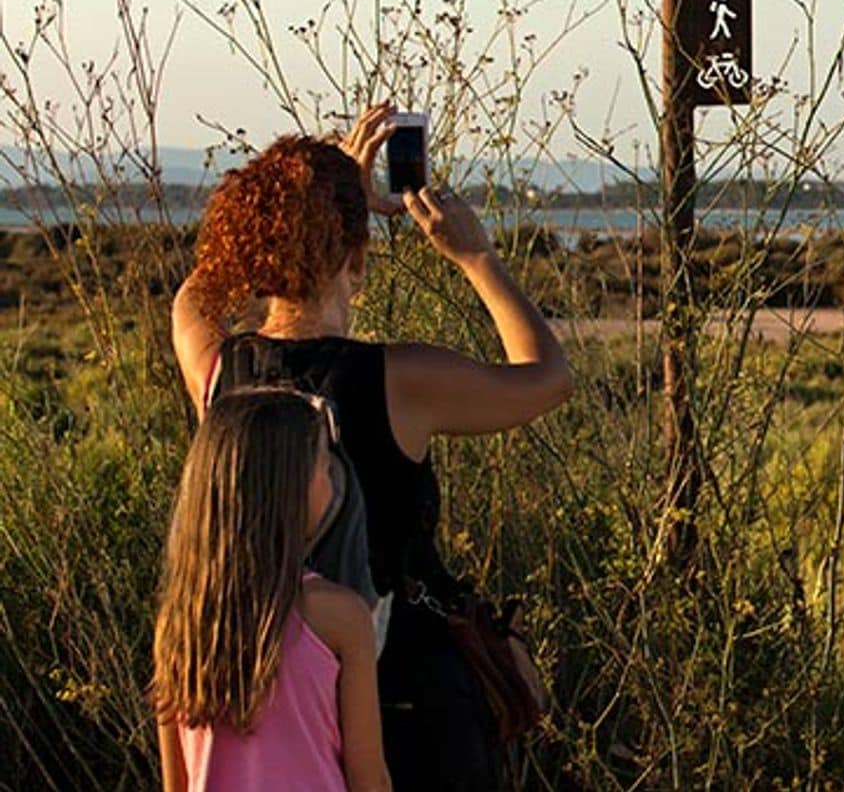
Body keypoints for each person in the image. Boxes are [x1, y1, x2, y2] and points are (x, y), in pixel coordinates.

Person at [171, 103, 573, 789]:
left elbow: (195, 294)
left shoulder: (219, 371)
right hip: (411, 705)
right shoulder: (400, 381)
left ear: (251, 253)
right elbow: (547, 377)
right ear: (358, 260)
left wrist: (316, 207)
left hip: (276, 711)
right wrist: (474, 256)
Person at [153, 389, 391, 791]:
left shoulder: (179, 623)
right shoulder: (339, 617)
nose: (330, 482)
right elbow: (369, 779)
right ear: (289, 487)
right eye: (321, 466)